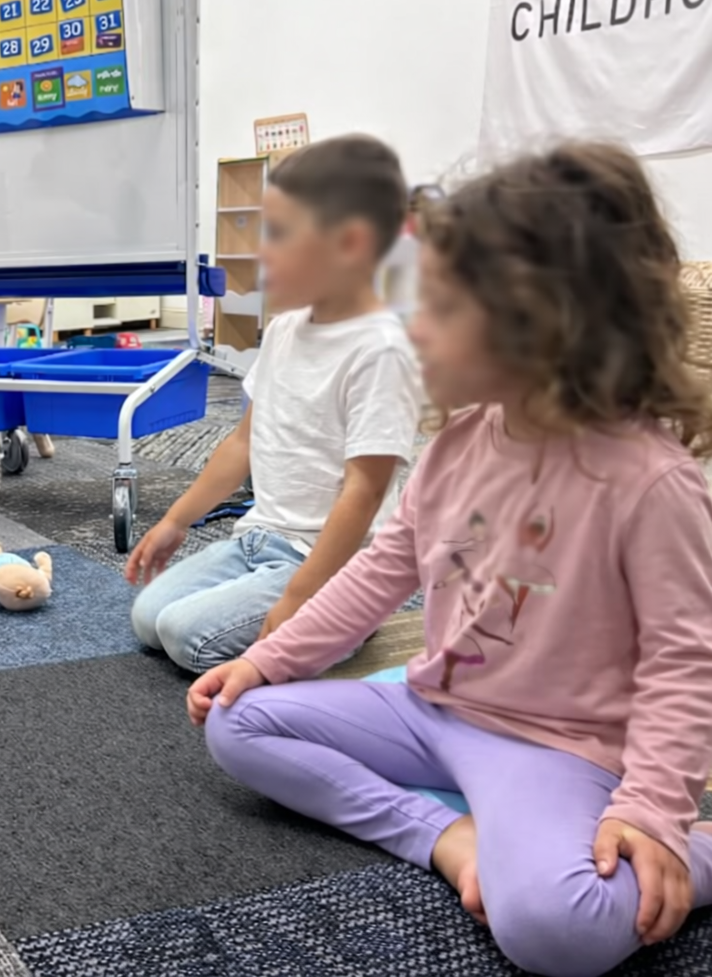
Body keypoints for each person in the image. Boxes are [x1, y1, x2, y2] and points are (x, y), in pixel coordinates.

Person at [193, 143, 712, 977]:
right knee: (237, 721)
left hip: (558, 747)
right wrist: (264, 661)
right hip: (431, 708)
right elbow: (379, 572)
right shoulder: (462, 440)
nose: (410, 322)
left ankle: (695, 849)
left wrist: (653, 813)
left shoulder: (651, 483)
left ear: (540, 319)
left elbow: (684, 665)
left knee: (557, 931)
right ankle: (448, 831)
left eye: (436, 302)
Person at [127, 135, 422, 673]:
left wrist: (299, 598)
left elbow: (365, 489)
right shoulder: (285, 328)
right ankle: (286, 606)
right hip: (259, 540)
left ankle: (344, 621)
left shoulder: (381, 349)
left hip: (333, 564)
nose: (264, 252)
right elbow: (242, 442)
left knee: (184, 636)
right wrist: (176, 521)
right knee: (148, 619)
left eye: (282, 235)